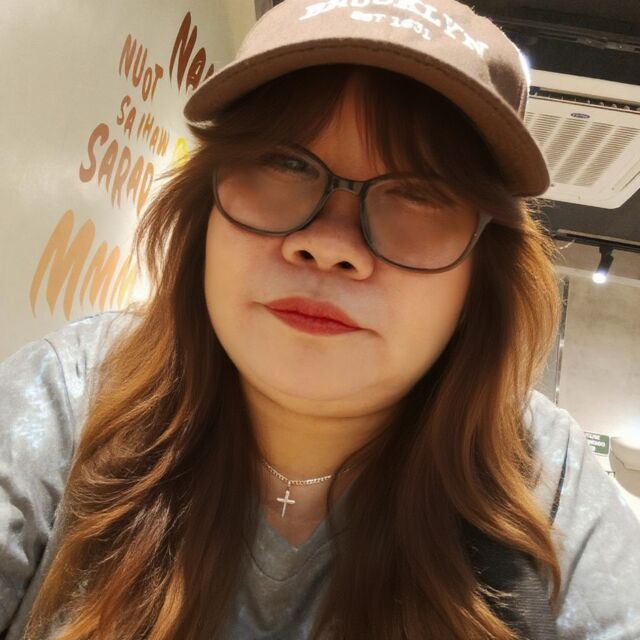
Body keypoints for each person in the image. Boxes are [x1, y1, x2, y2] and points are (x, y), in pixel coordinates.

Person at [1, 0, 640, 638]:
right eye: (286, 162)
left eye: (418, 192)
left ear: (482, 272)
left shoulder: (542, 480)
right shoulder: (73, 397)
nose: (331, 244)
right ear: (205, 206)